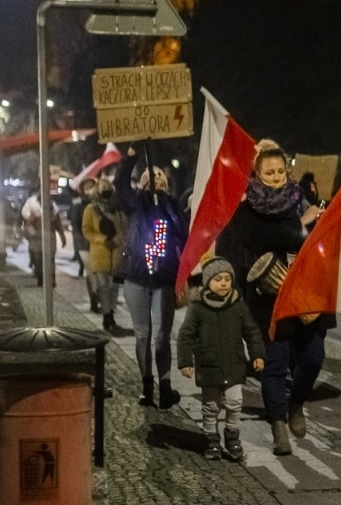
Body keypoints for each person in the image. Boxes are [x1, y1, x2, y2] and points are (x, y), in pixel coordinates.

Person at [216, 141, 330, 455]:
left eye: (281, 170)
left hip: (306, 292)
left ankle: (296, 404)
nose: (277, 176)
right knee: (274, 364)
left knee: (313, 357)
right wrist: (299, 224)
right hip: (269, 295)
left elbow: (321, 235)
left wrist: (321, 218)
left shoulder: (301, 197)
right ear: (258, 173)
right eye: (270, 172)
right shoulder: (249, 205)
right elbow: (256, 238)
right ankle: (277, 423)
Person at [115, 160, 189, 407]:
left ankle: (166, 387)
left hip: (163, 279)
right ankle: (147, 386)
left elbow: (184, 233)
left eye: (161, 175)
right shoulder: (134, 204)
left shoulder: (172, 208)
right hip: (137, 277)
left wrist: (169, 208)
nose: (156, 177)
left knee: (162, 337)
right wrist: (133, 154)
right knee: (142, 335)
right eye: (151, 175)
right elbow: (120, 181)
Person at [178, 257, 267, 462]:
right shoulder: (198, 308)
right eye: (218, 279)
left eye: (228, 278)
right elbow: (186, 335)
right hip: (209, 366)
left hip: (234, 364)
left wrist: (258, 354)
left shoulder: (239, 306)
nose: (224, 283)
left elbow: (252, 332)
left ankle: (232, 437)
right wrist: (185, 361)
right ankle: (211, 439)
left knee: (235, 402)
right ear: (208, 282)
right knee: (211, 406)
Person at [82, 177, 127, 333]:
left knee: (114, 287)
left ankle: (111, 312)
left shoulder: (119, 209)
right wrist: (103, 240)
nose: (106, 188)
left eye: (108, 186)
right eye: (103, 186)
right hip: (100, 253)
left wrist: (121, 238)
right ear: (97, 189)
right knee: (103, 286)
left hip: (116, 254)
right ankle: (107, 316)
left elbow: (125, 227)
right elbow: (86, 230)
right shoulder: (91, 209)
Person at [19, 180, 63, 287]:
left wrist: (62, 236)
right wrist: (31, 226)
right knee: (39, 259)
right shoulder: (31, 202)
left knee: (51, 258)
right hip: (37, 235)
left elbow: (57, 220)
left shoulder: (52, 203)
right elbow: (26, 218)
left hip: (50, 234)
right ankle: (40, 278)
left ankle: (51, 279)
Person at [68, 178, 93, 278]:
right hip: (82, 236)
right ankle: (82, 266)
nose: (89, 189)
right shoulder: (77, 203)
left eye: (91, 186)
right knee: (87, 264)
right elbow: (73, 218)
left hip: (96, 239)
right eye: (86, 187)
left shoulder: (100, 201)